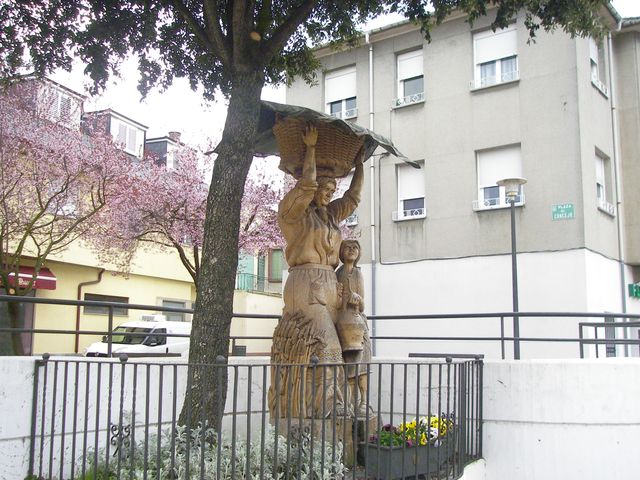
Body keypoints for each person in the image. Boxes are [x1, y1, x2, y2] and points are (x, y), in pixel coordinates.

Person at [269, 124, 364, 419]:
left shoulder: (330, 216)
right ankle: (329, 406)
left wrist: (360, 164)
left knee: (350, 345)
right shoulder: (293, 214)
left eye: (332, 190)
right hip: (306, 283)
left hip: (330, 283)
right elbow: (306, 185)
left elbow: (353, 198)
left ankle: (346, 403)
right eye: (326, 190)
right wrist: (310, 148)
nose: (329, 194)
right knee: (327, 344)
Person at [336, 239, 372, 416]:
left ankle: (364, 401)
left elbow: (362, 305)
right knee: (349, 367)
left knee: (362, 366)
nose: (351, 250)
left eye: (355, 248)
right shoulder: (338, 273)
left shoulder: (358, 273)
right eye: (347, 248)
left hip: (358, 325)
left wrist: (357, 299)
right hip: (343, 325)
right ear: (341, 252)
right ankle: (349, 403)